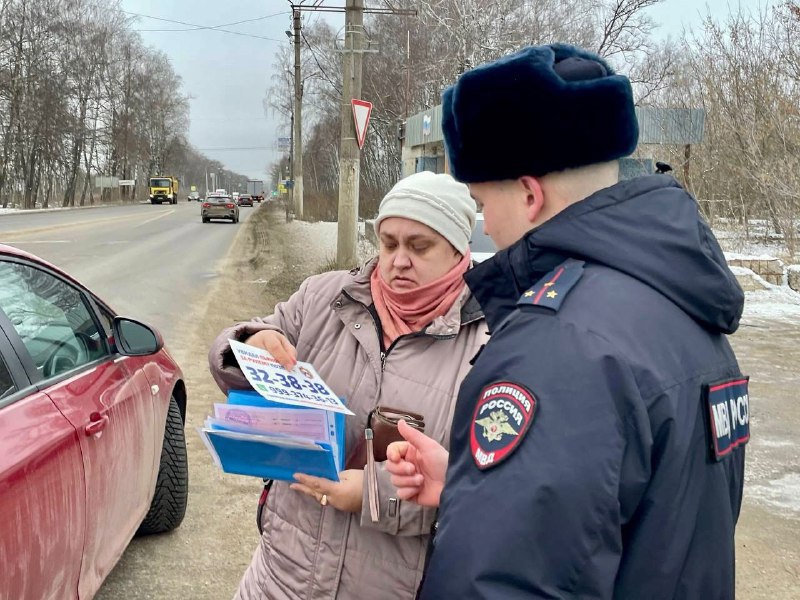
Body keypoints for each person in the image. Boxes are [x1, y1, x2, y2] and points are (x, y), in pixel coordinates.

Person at [386, 43, 747, 599]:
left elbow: (502, 586)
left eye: (483, 203)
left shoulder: (557, 342)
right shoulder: (681, 305)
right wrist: (477, 490)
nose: (486, 224)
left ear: (529, 195)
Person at [207, 171, 487, 600]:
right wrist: (249, 344)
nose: (398, 260)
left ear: (457, 249)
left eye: (419, 246)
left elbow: (488, 490)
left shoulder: (490, 342)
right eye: (389, 242)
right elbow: (227, 355)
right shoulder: (325, 297)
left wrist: (375, 496)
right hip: (279, 578)